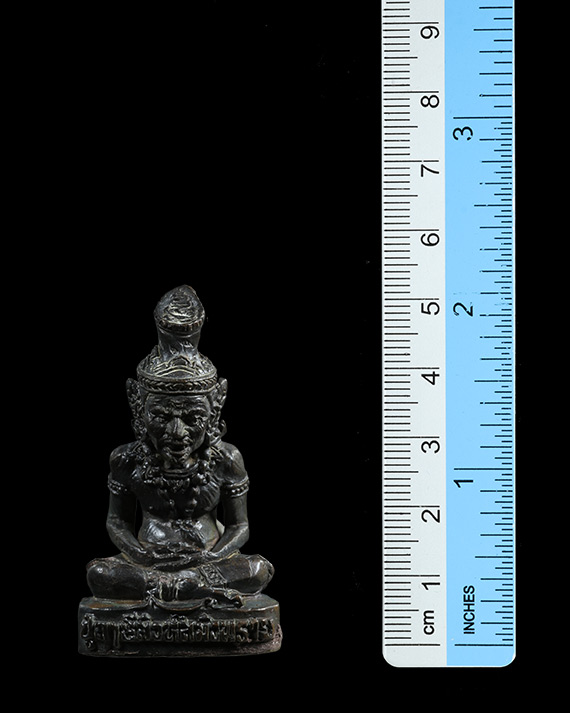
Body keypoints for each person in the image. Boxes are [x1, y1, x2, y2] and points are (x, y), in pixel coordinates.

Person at [85, 285, 274, 608]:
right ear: (138, 407)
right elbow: (117, 522)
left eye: (192, 417)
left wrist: (212, 556)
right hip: (150, 561)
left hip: (207, 561)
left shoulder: (225, 459)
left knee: (257, 569)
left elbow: (240, 525)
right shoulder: (127, 460)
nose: (176, 432)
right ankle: (184, 588)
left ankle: (179, 586)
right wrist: (140, 554)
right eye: (161, 416)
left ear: (215, 410)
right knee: (100, 573)